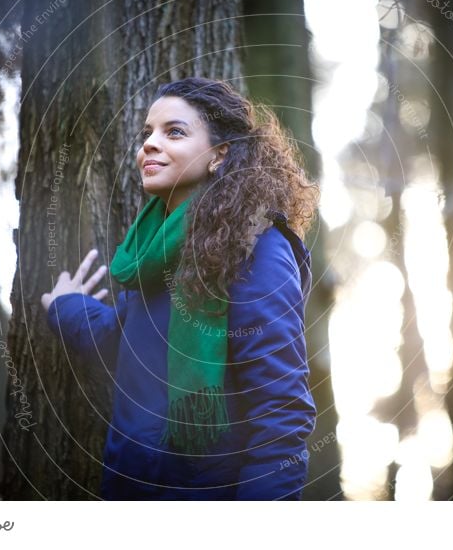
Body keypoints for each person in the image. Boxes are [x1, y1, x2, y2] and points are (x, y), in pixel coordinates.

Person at [41, 77, 319, 500]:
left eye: (174, 132)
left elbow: (281, 417)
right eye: (147, 133)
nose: (149, 144)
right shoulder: (152, 251)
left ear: (219, 155)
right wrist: (67, 307)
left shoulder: (259, 249)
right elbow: (130, 343)